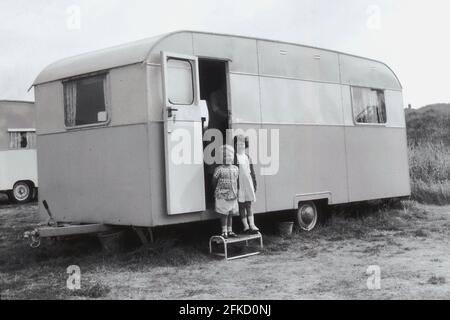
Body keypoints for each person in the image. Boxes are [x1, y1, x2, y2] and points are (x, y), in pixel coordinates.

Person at [212, 145, 239, 239]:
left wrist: (236, 191)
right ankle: (224, 231)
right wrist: (217, 189)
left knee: (230, 213)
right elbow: (214, 180)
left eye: (229, 156)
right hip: (222, 195)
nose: (227, 158)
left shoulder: (235, 168)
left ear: (232, 157)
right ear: (221, 158)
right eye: (224, 156)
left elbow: (236, 181)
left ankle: (230, 230)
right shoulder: (219, 169)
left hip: (232, 194)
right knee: (224, 213)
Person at [234, 135, 259, 234]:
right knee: (241, 205)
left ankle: (252, 224)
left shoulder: (247, 157)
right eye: (238, 144)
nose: (241, 146)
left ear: (245, 145)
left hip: (248, 183)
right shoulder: (234, 157)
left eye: (242, 144)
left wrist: (254, 183)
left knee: (249, 204)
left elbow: (252, 172)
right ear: (235, 145)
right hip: (240, 184)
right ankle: (245, 225)